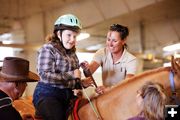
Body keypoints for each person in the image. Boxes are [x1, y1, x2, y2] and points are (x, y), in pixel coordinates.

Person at [33, 14, 93, 120]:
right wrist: (71, 74)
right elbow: (44, 75)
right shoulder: (48, 48)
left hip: (67, 95)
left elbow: (71, 81)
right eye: (69, 35)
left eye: (75, 36)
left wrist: (81, 83)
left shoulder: (72, 54)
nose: (72, 39)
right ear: (58, 34)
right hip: (47, 95)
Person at [82, 24, 137, 94]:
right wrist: (86, 68)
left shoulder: (131, 59)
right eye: (108, 39)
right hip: (106, 96)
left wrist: (109, 89)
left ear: (123, 41)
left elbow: (128, 83)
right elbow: (88, 73)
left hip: (122, 95)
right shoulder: (102, 53)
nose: (110, 44)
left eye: (114, 41)